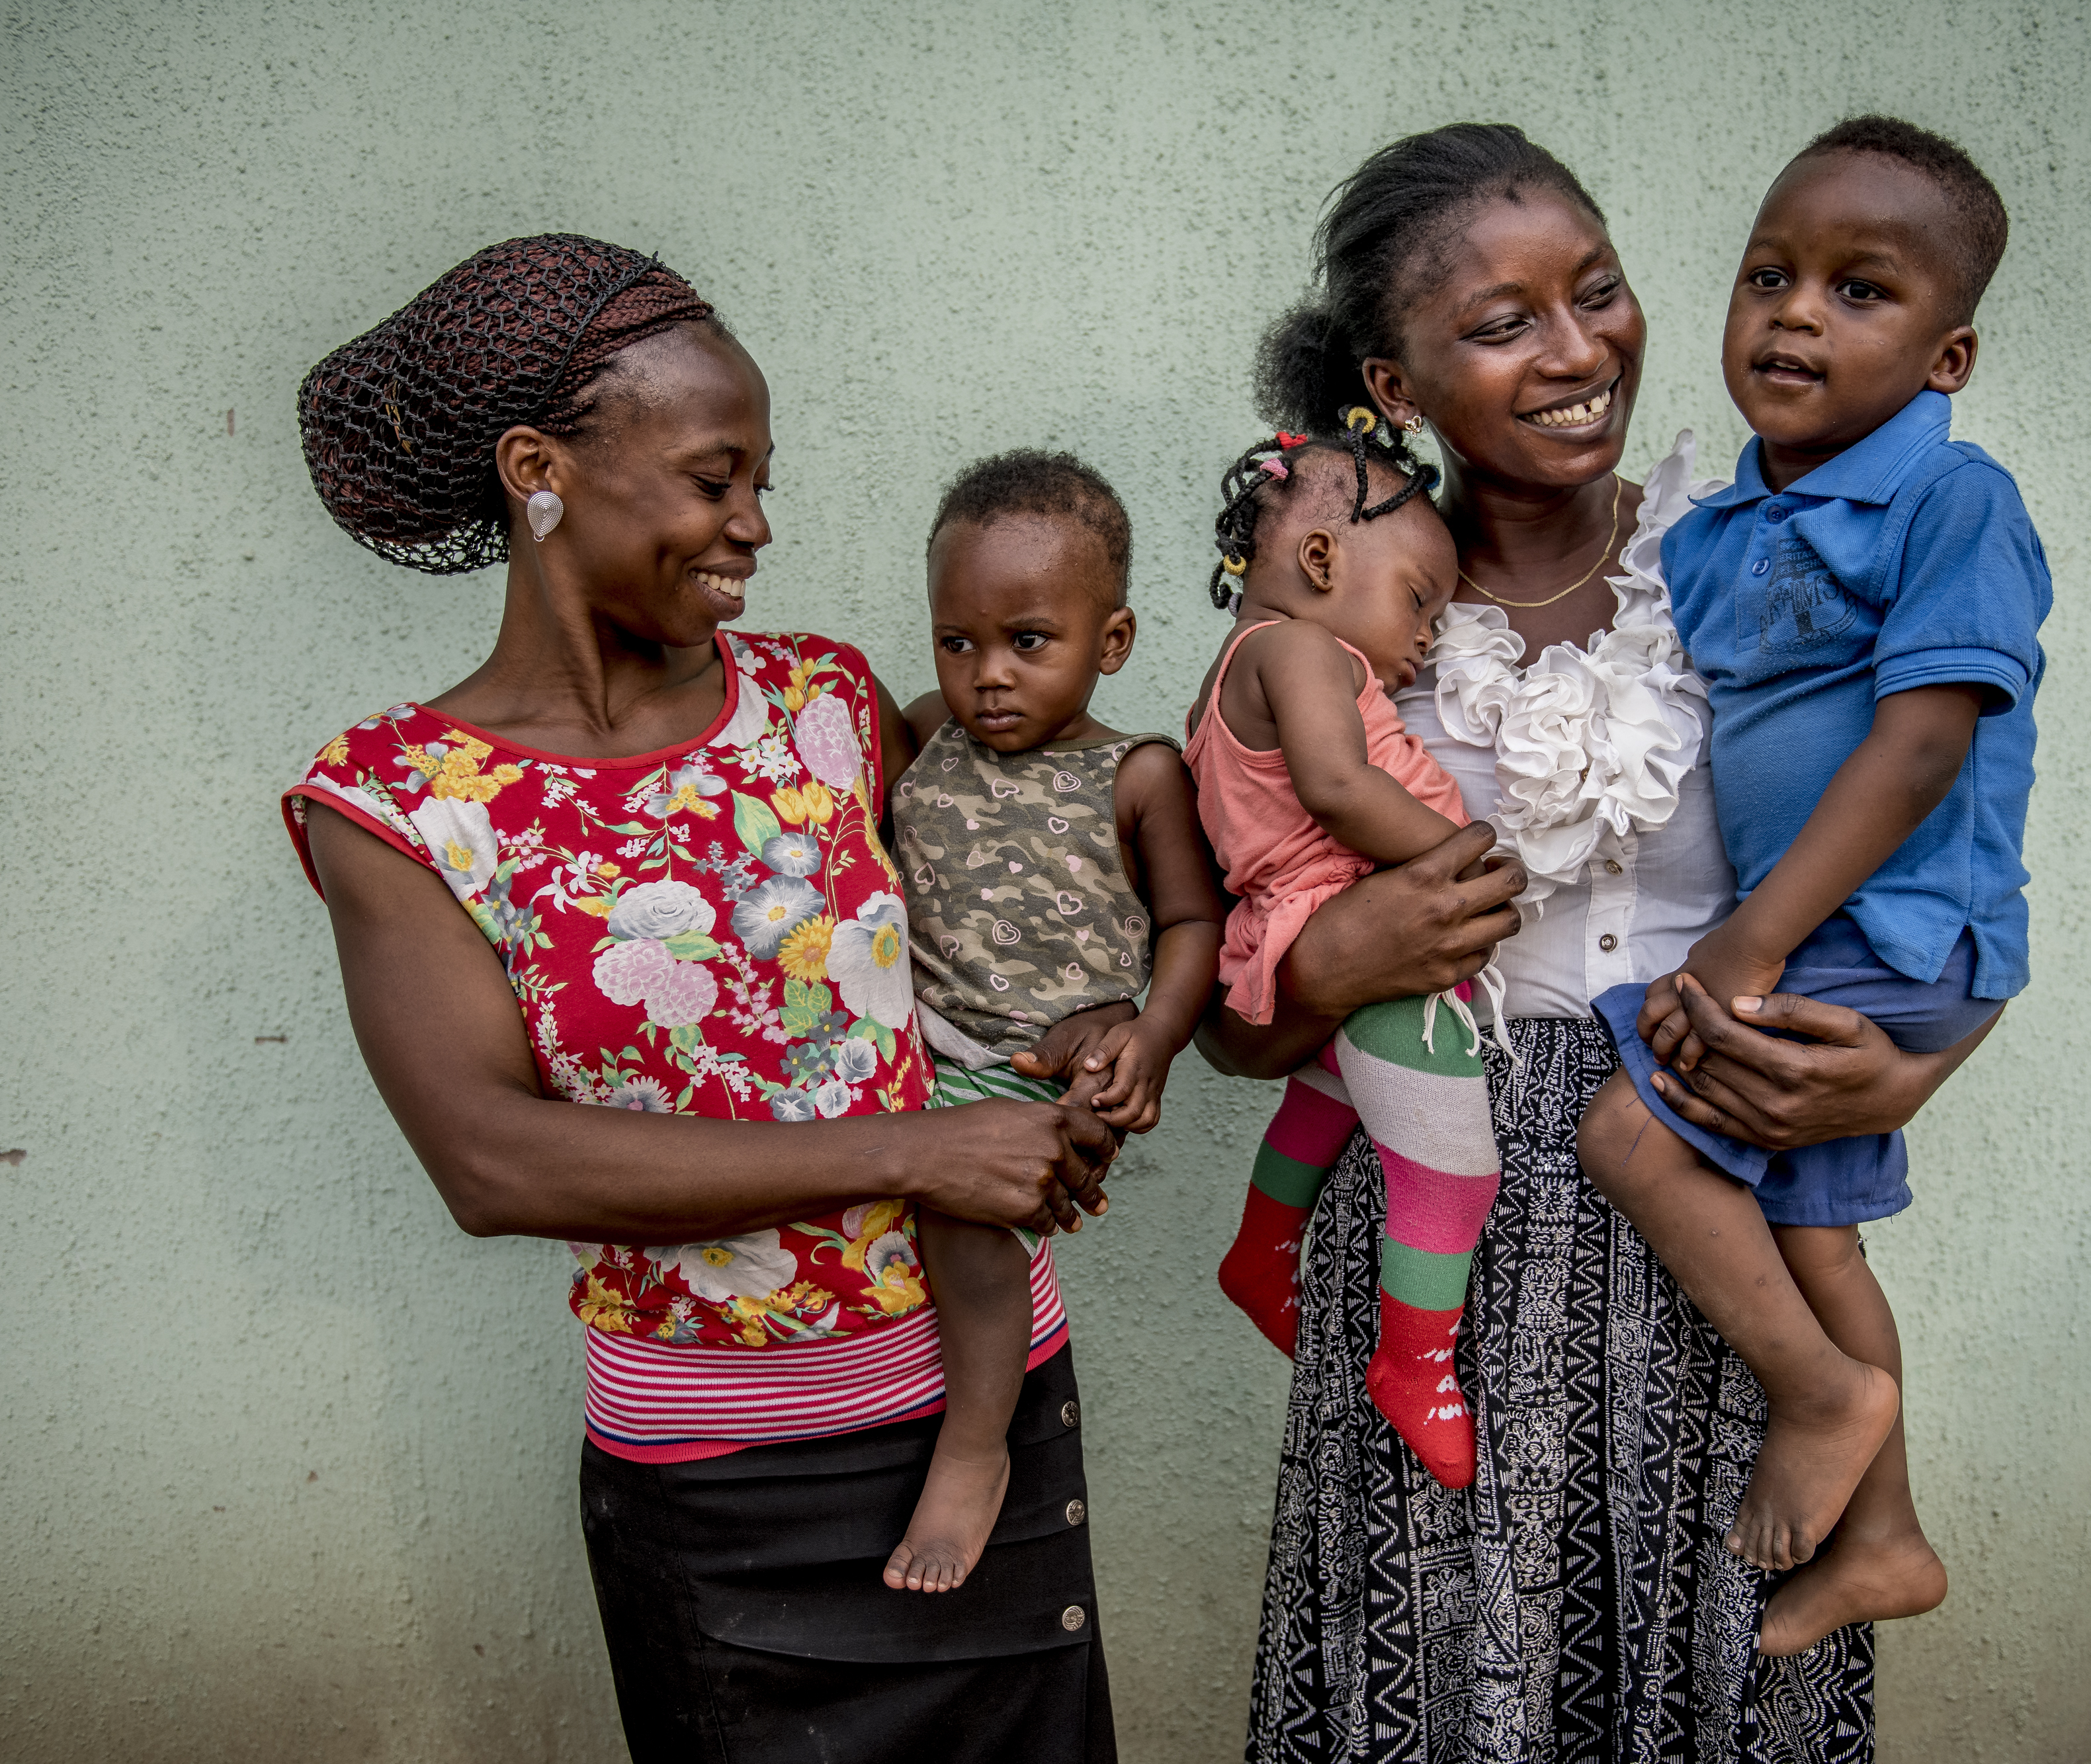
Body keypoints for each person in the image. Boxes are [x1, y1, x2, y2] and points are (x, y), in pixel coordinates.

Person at [1206, 126, 2006, 1759]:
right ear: (1397, 381)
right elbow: (1234, 1009)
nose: (1578, 352)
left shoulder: (1746, 556)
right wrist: (1333, 953)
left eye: (1599, 292)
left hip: (1724, 1213)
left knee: (1711, 1660)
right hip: (1440, 1241)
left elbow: (1945, 838)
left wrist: (1905, 1072)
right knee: (1447, 1682)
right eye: (1502, 324)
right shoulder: (1336, 623)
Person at [282, 235, 1123, 1763]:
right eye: (713, 478)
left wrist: (1115, 1031)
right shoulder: (402, 805)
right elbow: (491, 1159)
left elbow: (1036, 860)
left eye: (759, 478)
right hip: (715, 1480)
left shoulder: (823, 702)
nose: (755, 523)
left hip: (978, 1422)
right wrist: (912, 1151)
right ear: (539, 468)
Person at [1576, 117, 2047, 1658]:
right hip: (1830, 934)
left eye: (1860, 291)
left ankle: (1821, 1393)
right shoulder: (1717, 532)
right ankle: (1891, 1536)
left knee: (1633, 1131)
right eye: (1768, 274)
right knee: (1817, 1233)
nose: (1793, 313)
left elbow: (1920, 748)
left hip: (1886, 929)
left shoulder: (1947, 504)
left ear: (1946, 353)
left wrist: (1749, 938)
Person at [883, 450, 1223, 1593]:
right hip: (912, 1046)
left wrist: (1153, 1035)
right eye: (959, 641)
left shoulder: (1137, 773)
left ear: (1110, 642)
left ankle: (973, 1452)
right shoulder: (927, 730)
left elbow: (1190, 923)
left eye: (1029, 641)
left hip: (1031, 1067)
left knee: (966, 1230)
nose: (988, 676)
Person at [1185, 422, 1512, 1490]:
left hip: (1313, 918)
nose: (1428, 635)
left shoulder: (1238, 670)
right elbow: (1334, 787)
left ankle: (1262, 1249)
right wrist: (1460, 858)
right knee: (1455, 1171)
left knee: (1326, 1097)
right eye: (1419, 599)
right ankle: (1415, 1362)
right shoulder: (1299, 650)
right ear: (1321, 562)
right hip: (1354, 909)